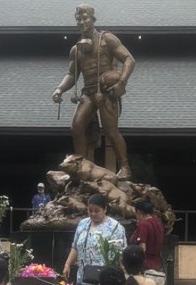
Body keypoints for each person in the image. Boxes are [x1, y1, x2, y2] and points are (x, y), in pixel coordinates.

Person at [52, 4, 136, 180]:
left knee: (111, 131)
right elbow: (71, 74)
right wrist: (60, 89)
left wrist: (122, 82)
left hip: (106, 91)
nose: (82, 22)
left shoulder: (107, 39)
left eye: (85, 18)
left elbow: (129, 59)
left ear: (93, 20)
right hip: (88, 92)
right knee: (77, 127)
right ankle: (82, 166)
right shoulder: (76, 50)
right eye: (79, 19)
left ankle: (125, 167)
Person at [63, 194, 127, 285]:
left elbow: (121, 253)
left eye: (97, 211)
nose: (93, 214)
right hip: (84, 278)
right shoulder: (83, 224)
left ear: (105, 209)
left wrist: (124, 275)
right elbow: (75, 246)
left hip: (106, 282)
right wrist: (67, 263)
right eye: (90, 210)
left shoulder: (116, 227)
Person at [129, 200, 165, 271]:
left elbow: (142, 248)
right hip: (157, 263)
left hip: (146, 265)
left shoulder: (144, 225)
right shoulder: (158, 223)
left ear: (139, 212)